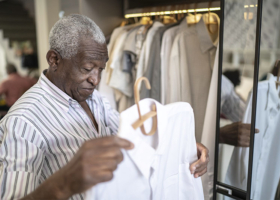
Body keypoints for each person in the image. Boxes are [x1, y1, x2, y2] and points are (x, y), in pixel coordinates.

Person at [0, 14, 209, 200]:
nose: (96, 79)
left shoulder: (95, 99)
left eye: (101, 69)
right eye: (87, 68)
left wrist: (181, 146)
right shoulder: (23, 123)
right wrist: (63, 184)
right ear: (54, 60)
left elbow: (133, 140)